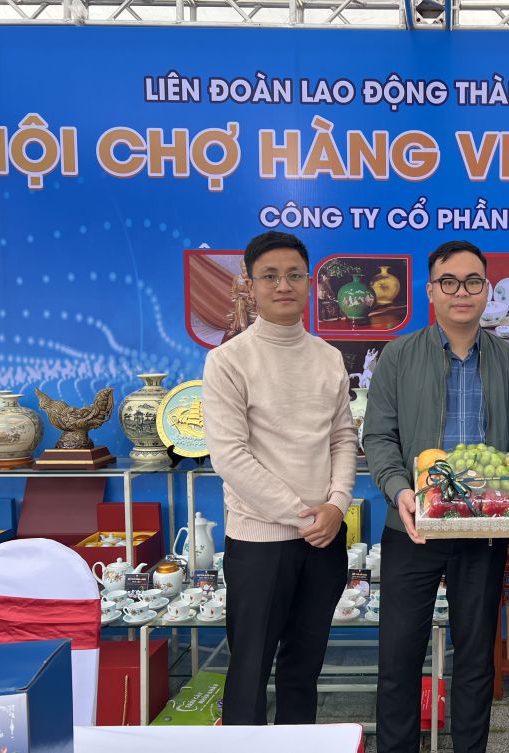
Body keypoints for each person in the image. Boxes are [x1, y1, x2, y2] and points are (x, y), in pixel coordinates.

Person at [362, 239, 509, 753]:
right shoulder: (398, 356)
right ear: (431, 290)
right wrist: (399, 492)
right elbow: (379, 438)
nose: (463, 292)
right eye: (450, 282)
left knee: (477, 656)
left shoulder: (506, 360)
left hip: (483, 530)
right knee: (398, 657)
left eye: (474, 282)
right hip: (411, 527)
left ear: (487, 291)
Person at [202, 231, 358, 725]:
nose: (283, 284)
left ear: (310, 282)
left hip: (324, 540)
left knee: (303, 669)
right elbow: (230, 456)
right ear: (250, 284)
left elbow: (341, 438)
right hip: (260, 542)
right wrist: (303, 515)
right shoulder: (227, 360)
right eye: (270, 275)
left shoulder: (328, 356)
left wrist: (335, 506)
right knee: (249, 670)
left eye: (293, 274)